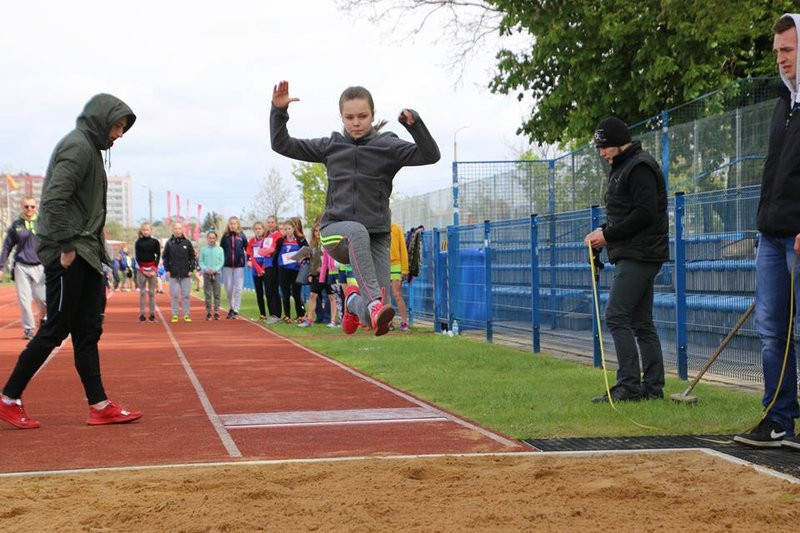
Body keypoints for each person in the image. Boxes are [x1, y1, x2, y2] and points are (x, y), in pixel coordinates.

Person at [0, 93, 141, 429]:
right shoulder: (77, 147)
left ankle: (99, 405)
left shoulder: (91, 149)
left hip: (87, 254)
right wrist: (65, 245)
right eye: (117, 126)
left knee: (88, 330)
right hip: (70, 253)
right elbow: (54, 199)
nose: (119, 134)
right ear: (101, 120)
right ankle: (8, 398)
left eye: (123, 128)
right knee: (56, 328)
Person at [270, 80, 440, 336]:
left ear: (372, 114)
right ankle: (371, 303)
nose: (356, 122)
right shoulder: (331, 146)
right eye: (349, 117)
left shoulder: (388, 146)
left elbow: (430, 155)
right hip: (336, 233)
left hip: (377, 235)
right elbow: (281, 144)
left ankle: (352, 302)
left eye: (363, 116)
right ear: (341, 117)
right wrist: (278, 111)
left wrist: (414, 125)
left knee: (380, 316)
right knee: (357, 233)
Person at [734, 13, 800, 450]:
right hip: (772, 237)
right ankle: (779, 419)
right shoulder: (782, 103)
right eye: (777, 51)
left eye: (788, 50)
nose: (781, 58)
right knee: (772, 330)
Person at [583, 116, 669, 404]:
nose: (601, 153)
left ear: (620, 143)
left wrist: (607, 235)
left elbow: (645, 213)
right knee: (641, 321)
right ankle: (652, 388)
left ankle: (629, 386)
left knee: (616, 314)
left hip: (641, 253)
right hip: (635, 251)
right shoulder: (623, 167)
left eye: (604, 147)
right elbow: (625, 212)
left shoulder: (640, 166)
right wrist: (602, 232)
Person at [0, 196, 47, 340]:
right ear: (22, 207)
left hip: (40, 266)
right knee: (24, 300)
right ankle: (28, 329)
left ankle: (43, 320)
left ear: (36, 207)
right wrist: (1, 267)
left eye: (32, 206)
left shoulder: (42, 224)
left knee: (43, 298)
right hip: (21, 266)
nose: (29, 209)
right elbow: (7, 247)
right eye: (26, 206)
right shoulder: (16, 225)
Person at [296, 224, 337, 328]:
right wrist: (310, 273)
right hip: (316, 275)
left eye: (320, 231)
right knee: (312, 296)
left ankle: (333, 321)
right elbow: (311, 261)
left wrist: (325, 268)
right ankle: (309, 320)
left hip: (328, 273)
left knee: (331, 297)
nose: (318, 233)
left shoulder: (328, 244)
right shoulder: (312, 245)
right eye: (316, 231)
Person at [162, 221, 196, 323]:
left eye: (179, 228)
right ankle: (175, 314)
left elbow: (192, 257)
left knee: (186, 295)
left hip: (186, 273)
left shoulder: (187, 242)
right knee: (174, 295)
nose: (177, 230)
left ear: (182, 230)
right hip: (173, 273)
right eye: (176, 228)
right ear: (173, 230)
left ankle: (186, 314)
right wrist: (167, 269)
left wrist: (191, 269)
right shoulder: (169, 243)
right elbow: (165, 257)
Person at [275, 219, 307, 323]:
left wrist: (301, 259)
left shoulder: (300, 240)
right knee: (285, 294)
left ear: (293, 229)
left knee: (297, 294)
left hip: (296, 270)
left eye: (289, 228)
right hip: (283, 271)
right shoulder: (280, 241)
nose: (287, 231)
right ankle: (287, 315)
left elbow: (307, 252)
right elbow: (276, 255)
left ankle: (300, 315)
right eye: (285, 229)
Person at [219, 216, 247, 319]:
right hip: (227, 265)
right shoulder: (225, 236)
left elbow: (247, 249)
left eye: (234, 223)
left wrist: (248, 260)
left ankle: (236, 310)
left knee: (238, 288)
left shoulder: (242, 236)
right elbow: (220, 250)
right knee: (229, 288)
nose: (232, 225)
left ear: (238, 224)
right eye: (231, 223)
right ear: (229, 225)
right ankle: (231, 307)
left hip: (239, 266)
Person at [134, 222, 160, 323]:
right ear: (141, 231)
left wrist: (154, 269)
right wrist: (142, 270)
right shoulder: (138, 243)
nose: (145, 231)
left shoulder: (155, 242)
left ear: (150, 231)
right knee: (142, 292)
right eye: (144, 230)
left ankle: (152, 315)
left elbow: (158, 255)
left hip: (152, 269)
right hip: (142, 270)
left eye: (147, 230)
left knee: (152, 293)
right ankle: (142, 314)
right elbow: (137, 257)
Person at [246, 221, 269, 320]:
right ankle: (262, 314)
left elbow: (268, 255)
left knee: (268, 292)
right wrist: (249, 261)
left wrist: (262, 269)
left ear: (263, 229)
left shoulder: (267, 240)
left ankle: (273, 314)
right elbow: (249, 254)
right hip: (255, 270)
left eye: (260, 228)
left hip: (265, 268)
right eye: (256, 229)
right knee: (259, 293)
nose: (258, 231)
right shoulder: (252, 241)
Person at [261, 215, 283, 323]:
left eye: (272, 222)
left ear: (276, 223)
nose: (270, 224)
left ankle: (276, 315)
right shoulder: (267, 235)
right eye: (268, 222)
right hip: (267, 265)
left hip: (274, 266)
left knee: (274, 290)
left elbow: (273, 250)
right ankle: (272, 314)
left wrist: (266, 252)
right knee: (268, 291)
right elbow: (261, 250)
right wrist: (265, 252)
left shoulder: (278, 235)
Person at [199, 230, 224, 320]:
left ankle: (216, 312)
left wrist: (215, 269)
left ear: (216, 238)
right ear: (207, 238)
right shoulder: (203, 249)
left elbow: (221, 261)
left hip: (216, 274)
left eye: (213, 238)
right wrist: (206, 269)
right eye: (210, 238)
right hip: (206, 274)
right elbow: (201, 261)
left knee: (217, 294)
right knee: (208, 294)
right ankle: (208, 312)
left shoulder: (220, 249)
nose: (211, 240)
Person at [390, 221, 410, 331]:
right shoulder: (379, 229)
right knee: (385, 296)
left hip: (395, 265)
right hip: (383, 265)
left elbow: (403, 249)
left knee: (397, 295)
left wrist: (405, 268)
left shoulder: (397, 229)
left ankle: (404, 321)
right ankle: (388, 322)